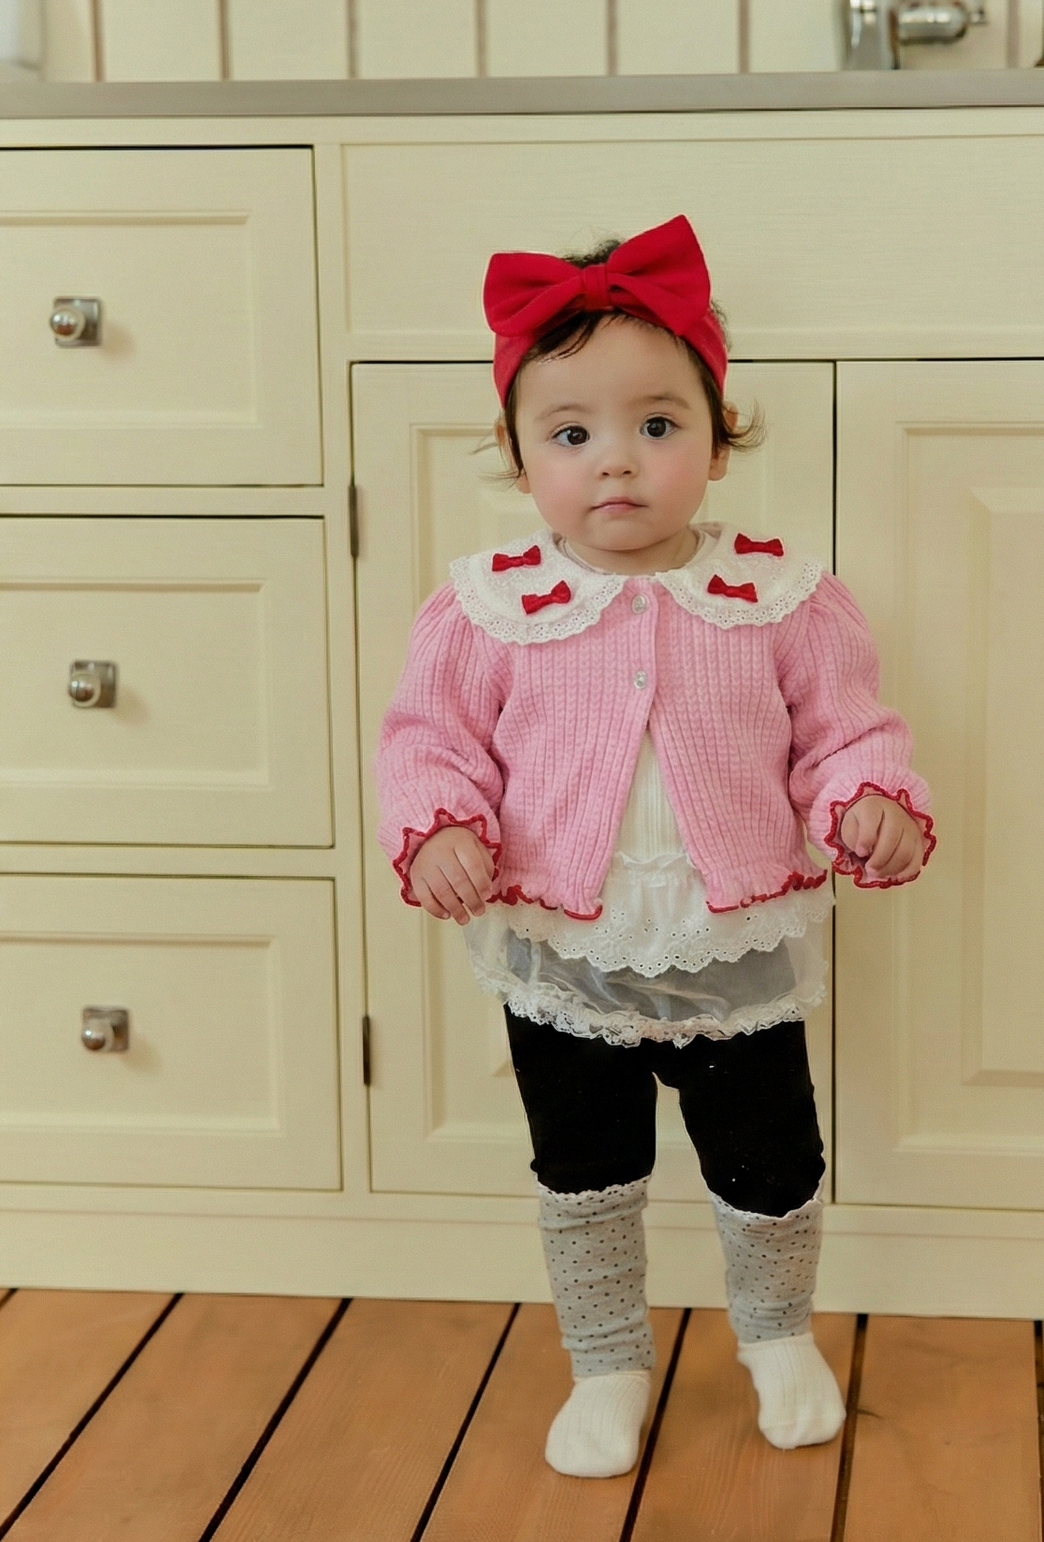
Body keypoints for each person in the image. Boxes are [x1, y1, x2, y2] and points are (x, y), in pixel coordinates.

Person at [375, 214, 934, 1477]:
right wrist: (442, 822)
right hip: (563, 949)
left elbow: (844, 729)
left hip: (729, 940)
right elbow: (428, 740)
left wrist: (867, 799)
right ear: (518, 455)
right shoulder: (486, 608)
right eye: (570, 433)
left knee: (771, 1154)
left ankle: (776, 1331)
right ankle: (606, 1357)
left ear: (718, 440)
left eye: (657, 424)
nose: (615, 460)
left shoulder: (781, 597)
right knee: (584, 1163)